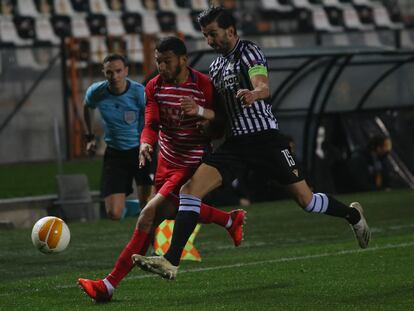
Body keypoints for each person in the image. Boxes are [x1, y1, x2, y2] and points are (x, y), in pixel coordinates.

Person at [132, 6, 371, 280]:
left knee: (306, 200)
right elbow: (220, 114)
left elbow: (263, 84)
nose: (209, 41)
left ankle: (352, 216)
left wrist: (255, 93)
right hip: (235, 144)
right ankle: (171, 261)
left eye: (213, 34)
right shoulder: (216, 66)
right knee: (190, 190)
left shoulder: (250, 52)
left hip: (265, 140)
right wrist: (206, 120)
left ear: (230, 30)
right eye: (205, 35)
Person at [78, 36, 246, 302]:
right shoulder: (154, 86)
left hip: (191, 163)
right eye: (158, 61)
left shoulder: (203, 85)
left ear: (183, 60)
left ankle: (107, 286)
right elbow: (150, 123)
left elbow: (222, 124)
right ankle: (229, 220)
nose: (161, 66)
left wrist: (202, 114)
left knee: (148, 215)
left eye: (166, 61)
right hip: (166, 162)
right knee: (167, 212)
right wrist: (145, 144)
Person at [83, 53, 155, 220]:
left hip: (141, 151)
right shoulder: (96, 92)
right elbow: (87, 106)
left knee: (149, 207)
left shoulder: (138, 93)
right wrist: (89, 137)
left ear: (126, 71)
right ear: (104, 72)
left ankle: (154, 240)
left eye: (118, 71)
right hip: (115, 154)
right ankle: (133, 207)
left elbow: (151, 119)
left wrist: (148, 143)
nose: (114, 76)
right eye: (109, 72)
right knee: (114, 213)